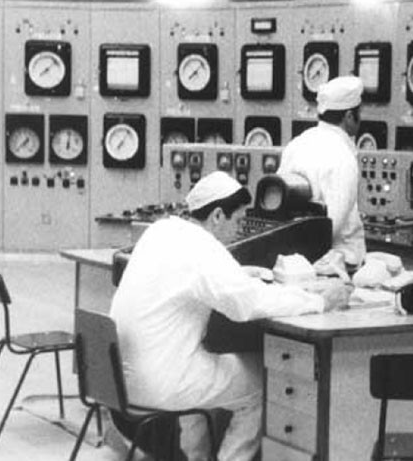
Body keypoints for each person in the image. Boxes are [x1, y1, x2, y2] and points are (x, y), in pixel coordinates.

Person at [109, 170, 351, 461]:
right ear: (217, 216)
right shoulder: (203, 248)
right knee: (262, 382)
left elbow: (189, 280)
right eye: (237, 220)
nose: (239, 229)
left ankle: (196, 457)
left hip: (120, 380)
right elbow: (247, 305)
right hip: (159, 383)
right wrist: (319, 301)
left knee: (205, 371)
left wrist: (238, 275)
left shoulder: (161, 231)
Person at [278, 75, 367, 268]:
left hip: (292, 260)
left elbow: (279, 204)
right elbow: (331, 227)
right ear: (349, 116)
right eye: (359, 113)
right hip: (334, 265)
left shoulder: (297, 144)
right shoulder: (343, 157)